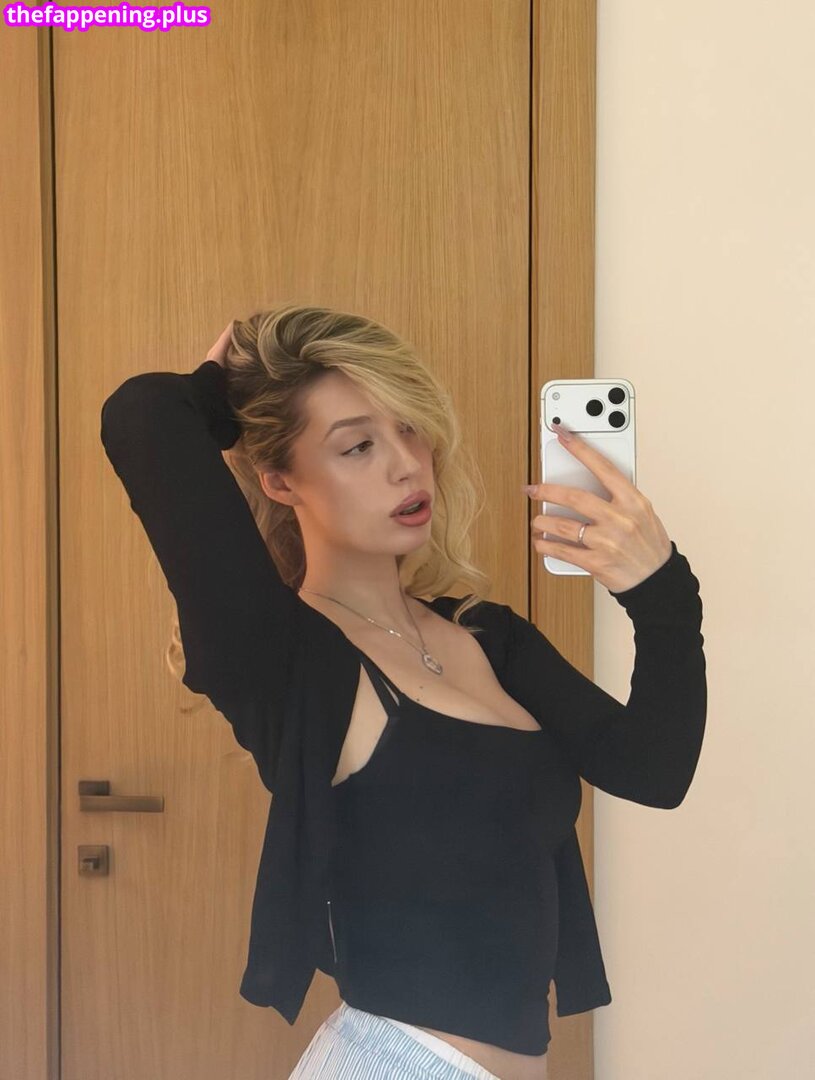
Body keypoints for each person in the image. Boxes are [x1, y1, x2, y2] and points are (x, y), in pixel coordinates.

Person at [100, 305, 707, 1080]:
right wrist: (214, 400)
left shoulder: (487, 635)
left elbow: (652, 771)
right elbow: (139, 415)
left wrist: (660, 593)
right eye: (357, 445)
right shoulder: (281, 660)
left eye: (410, 429)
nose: (406, 466)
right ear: (280, 480)